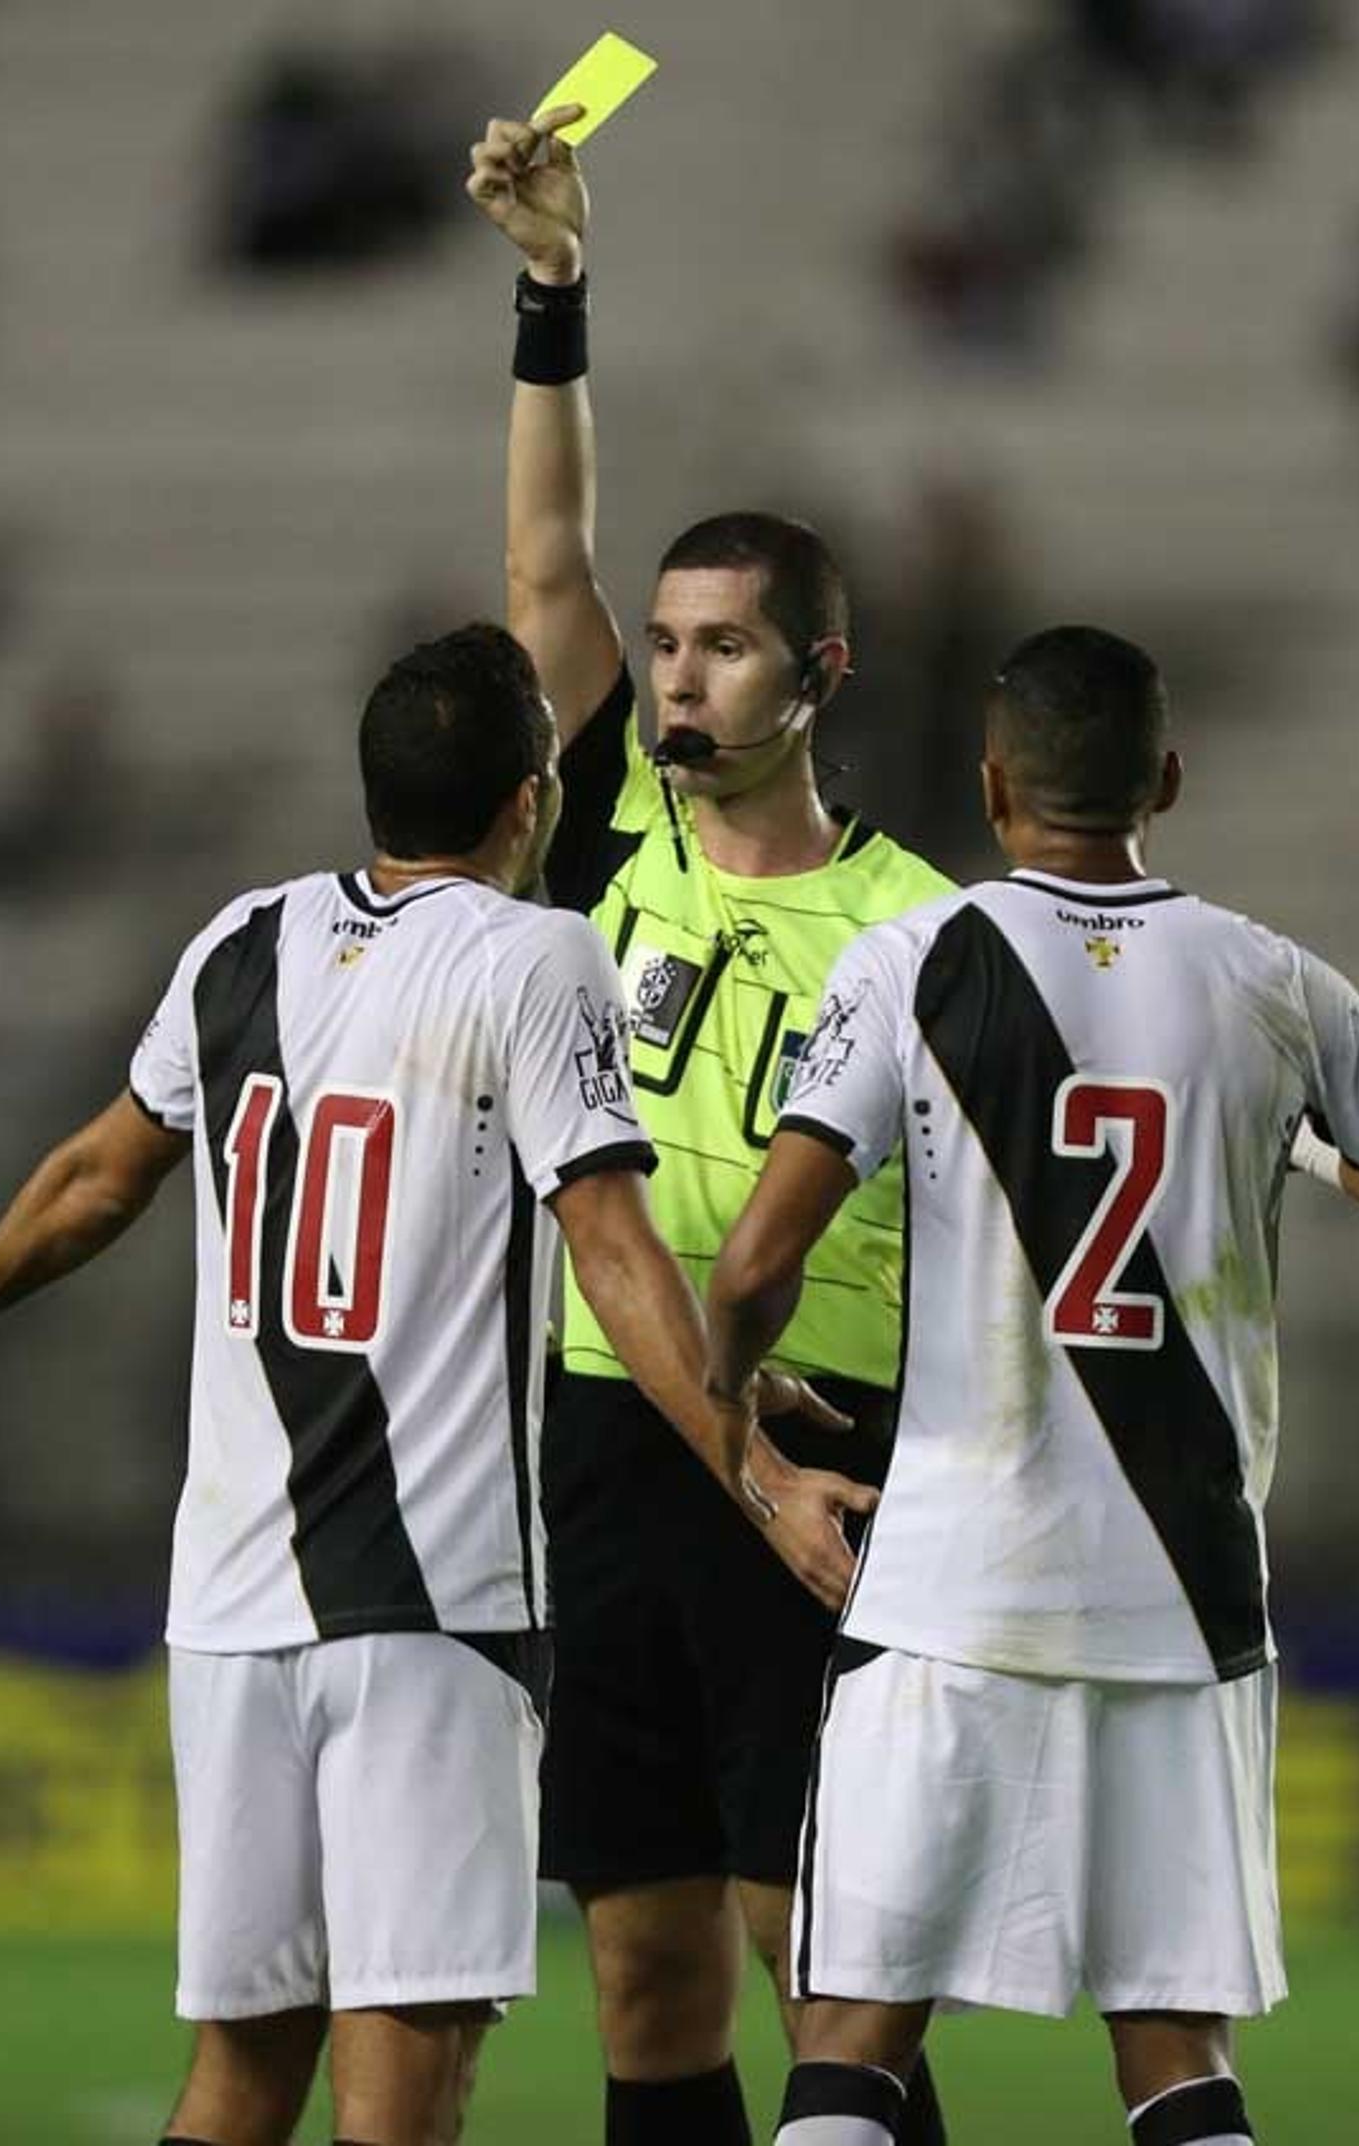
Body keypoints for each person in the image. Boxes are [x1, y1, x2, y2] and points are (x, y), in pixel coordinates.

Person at [0, 622, 865, 2146]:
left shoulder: (244, 941)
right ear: (527, 803)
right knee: (406, 2079)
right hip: (424, 1613)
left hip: (233, 1612)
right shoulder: (534, 952)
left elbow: (101, 1173)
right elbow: (614, 1251)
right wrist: (751, 1464)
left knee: (242, 2070)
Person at [705, 624, 1359, 2146]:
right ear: (1167, 776)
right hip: (1181, 1588)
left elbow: (760, 1259)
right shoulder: (1275, 982)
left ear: (991, 780)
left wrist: (730, 1384)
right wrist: (1310, 1151)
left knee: (853, 2039)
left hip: (955, 1590)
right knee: (1175, 2046)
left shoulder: (914, 959)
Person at [464, 108, 956, 2146]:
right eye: (664, 643)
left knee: (806, 1941)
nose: (672, 673)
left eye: (722, 642)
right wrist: (553, 289)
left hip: (826, 1433)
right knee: (645, 1963)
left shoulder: (923, 925)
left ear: (817, 671)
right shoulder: (625, 835)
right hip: (611, 1423)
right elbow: (537, 562)